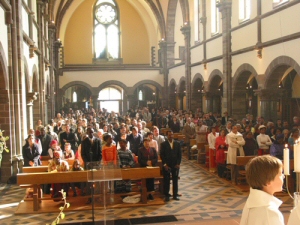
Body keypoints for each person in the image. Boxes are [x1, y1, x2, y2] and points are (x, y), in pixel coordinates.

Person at [240, 155, 285, 225]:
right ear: (268, 182)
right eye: (280, 174)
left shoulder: (252, 202)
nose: (283, 176)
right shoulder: (270, 213)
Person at [160, 131, 181, 202]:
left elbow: (179, 155)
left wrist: (178, 163)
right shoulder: (163, 144)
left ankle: (175, 194)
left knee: (175, 180)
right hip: (167, 165)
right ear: (167, 136)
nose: (171, 136)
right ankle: (167, 195)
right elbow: (162, 155)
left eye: (172, 135)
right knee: (166, 180)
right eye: (169, 135)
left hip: (175, 165)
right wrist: (165, 164)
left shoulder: (177, 144)